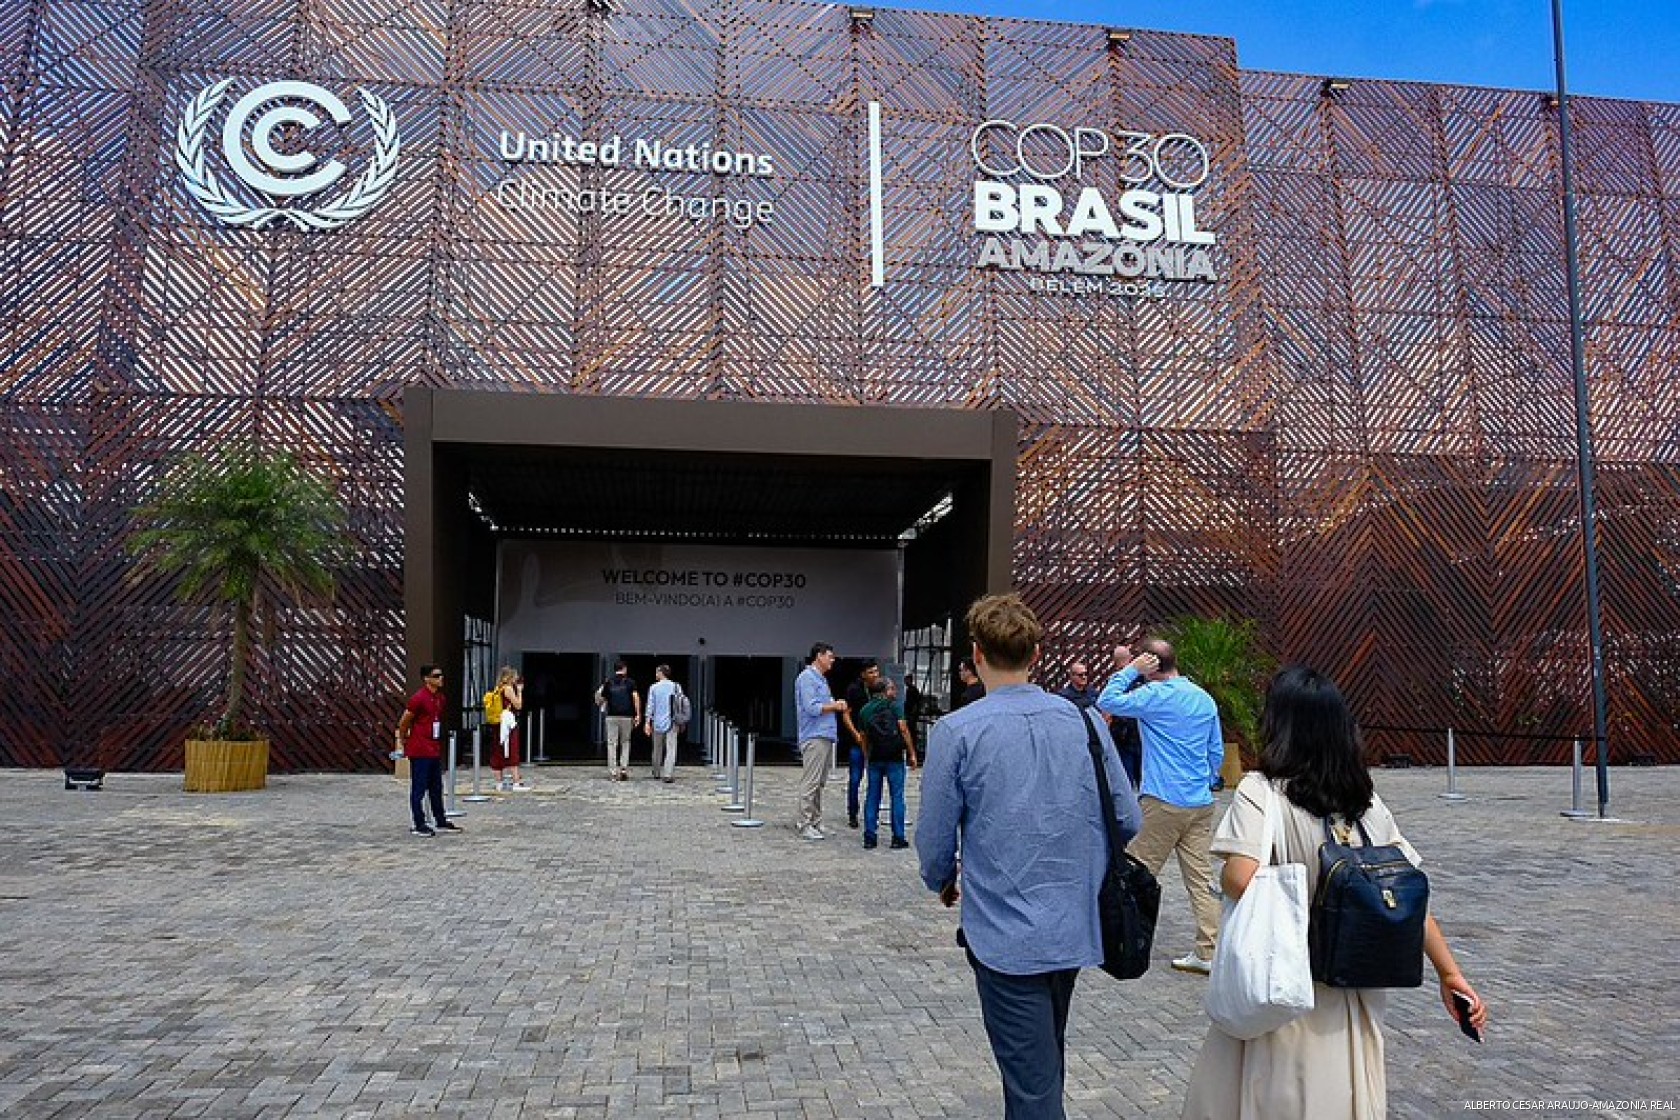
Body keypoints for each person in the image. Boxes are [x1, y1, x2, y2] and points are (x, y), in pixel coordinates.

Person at [1181, 667, 1488, 1120]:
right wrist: (1450, 974)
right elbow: (1406, 897)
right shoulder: (1366, 802)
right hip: (1352, 988)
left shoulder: (1261, 792)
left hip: (1282, 986)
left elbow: (1242, 877)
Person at [917, 594, 1141, 1120]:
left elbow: (934, 840)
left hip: (1005, 933)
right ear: (1036, 654)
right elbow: (1127, 818)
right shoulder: (1085, 722)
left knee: (1033, 1088)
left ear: (977, 654)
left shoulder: (958, 731)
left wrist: (942, 878)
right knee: (1041, 1065)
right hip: (1074, 923)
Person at [1096, 638, 1225, 974]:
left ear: (1149, 662)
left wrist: (1130, 671)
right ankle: (1209, 950)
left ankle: (1123, 941)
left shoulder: (1154, 695)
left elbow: (1107, 701)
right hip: (1200, 801)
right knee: (1200, 878)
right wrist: (1207, 780)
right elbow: (1216, 751)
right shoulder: (1203, 697)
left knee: (1135, 871)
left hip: (1163, 799)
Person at [394, 663, 462, 836]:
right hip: (420, 748)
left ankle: (440, 819)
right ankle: (419, 823)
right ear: (427, 679)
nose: (441, 678)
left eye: (441, 675)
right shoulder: (418, 698)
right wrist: (403, 738)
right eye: (436, 676)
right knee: (419, 787)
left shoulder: (440, 698)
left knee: (436, 787)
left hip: (433, 748)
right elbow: (405, 720)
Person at [793, 642, 848, 840]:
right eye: (830, 657)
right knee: (811, 781)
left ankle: (816, 820)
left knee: (819, 782)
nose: (832, 660)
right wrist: (835, 706)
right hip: (814, 735)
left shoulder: (821, 680)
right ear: (819, 656)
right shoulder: (807, 678)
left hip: (824, 735)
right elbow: (812, 707)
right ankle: (805, 822)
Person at [858, 676, 917, 850]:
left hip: (875, 756)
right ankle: (898, 836)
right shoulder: (895, 707)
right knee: (897, 796)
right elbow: (903, 729)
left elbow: (863, 737)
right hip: (894, 757)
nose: (895, 691)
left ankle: (870, 836)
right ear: (885, 691)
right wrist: (912, 753)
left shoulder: (865, 710)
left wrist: (866, 755)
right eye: (892, 688)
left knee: (872, 796)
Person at [839, 659, 883, 829]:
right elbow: (846, 714)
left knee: (875, 779)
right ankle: (853, 812)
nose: (875, 675)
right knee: (855, 778)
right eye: (871, 672)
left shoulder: (880, 689)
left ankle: (872, 813)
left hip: (875, 742)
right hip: (857, 741)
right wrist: (856, 734)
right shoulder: (854, 690)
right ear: (863, 674)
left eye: (876, 671)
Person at [598, 660, 641, 781]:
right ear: (624, 669)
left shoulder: (608, 682)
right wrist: (638, 714)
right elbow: (635, 698)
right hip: (627, 716)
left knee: (612, 744)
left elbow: (602, 699)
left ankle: (613, 772)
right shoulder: (630, 682)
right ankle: (623, 769)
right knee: (625, 742)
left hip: (612, 716)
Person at [488, 667, 528, 792]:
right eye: (514, 676)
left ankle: (499, 782)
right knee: (512, 749)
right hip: (507, 723)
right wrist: (520, 691)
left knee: (498, 750)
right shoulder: (508, 689)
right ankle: (516, 781)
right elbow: (518, 705)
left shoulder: (498, 689)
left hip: (498, 722)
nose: (516, 679)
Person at [644, 663, 682, 783]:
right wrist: (682, 721)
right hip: (673, 721)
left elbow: (650, 705)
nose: (655, 674)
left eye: (657, 672)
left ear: (661, 673)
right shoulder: (676, 687)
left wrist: (647, 721)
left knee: (657, 748)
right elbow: (680, 705)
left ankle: (656, 771)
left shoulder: (654, 687)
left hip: (657, 722)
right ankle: (668, 773)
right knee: (671, 748)